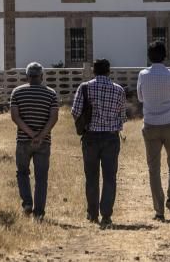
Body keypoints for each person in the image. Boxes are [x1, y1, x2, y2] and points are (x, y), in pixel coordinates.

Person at [71, 57, 126, 226]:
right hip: (111, 137)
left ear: (93, 71)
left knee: (91, 176)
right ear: (109, 71)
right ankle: (107, 214)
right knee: (110, 177)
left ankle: (92, 213)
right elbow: (122, 117)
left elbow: (75, 111)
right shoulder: (118, 90)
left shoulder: (85, 87)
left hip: (91, 137)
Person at [137, 40, 170, 221]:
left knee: (153, 168)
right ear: (165, 56)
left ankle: (159, 211)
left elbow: (140, 98)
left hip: (150, 125)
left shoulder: (143, 74)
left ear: (149, 57)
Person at [9, 61, 59, 220]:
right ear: (42, 76)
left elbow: (15, 117)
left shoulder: (17, 92)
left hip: (23, 140)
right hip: (44, 142)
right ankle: (39, 213)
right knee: (41, 177)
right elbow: (53, 118)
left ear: (27, 76)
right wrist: (40, 136)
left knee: (22, 173)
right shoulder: (51, 93)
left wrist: (31, 134)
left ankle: (27, 203)